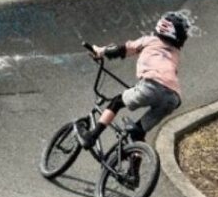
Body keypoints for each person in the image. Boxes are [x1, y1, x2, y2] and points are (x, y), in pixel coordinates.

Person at [77, 11, 188, 150]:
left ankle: (91, 136)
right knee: (138, 134)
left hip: (151, 86)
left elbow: (121, 49)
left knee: (117, 102)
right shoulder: (176, 53)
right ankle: (134, 170)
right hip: (173, 99)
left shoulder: (150, 40)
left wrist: (100, 51)